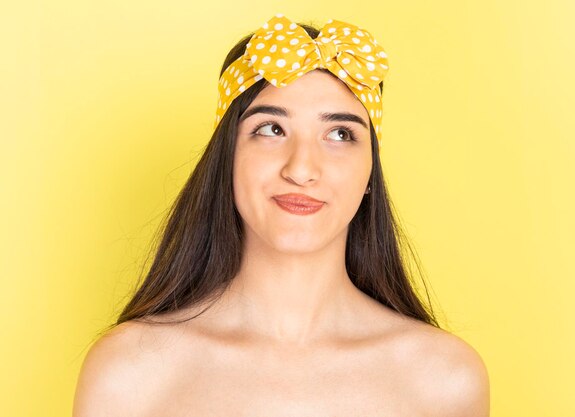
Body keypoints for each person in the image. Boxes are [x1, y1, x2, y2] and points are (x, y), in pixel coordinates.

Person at [73, 14, 489, 416]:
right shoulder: (128, 374)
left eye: (340, 134)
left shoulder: (446, 380)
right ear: (228, 158)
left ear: (369, 176)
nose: (301, 169)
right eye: (271, 129)